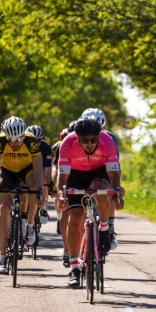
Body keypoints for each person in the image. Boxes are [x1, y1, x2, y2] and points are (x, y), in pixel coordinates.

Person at [55, 116, 122, 288]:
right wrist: (61, 195)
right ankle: (74, 267)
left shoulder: (107, 141)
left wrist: (117, 192)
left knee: (100, 192)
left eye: (93, 140)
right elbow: (62, 178)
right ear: (77, 138)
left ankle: (105, 229)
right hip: (75, 175)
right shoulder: (67, 144)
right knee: (75, 215)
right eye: (85, 140)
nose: (90, 144)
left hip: (98, 171)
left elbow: (114, 174)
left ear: (99, 136)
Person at [0, 117, 44, 274]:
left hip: (27, 170)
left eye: (19, 141)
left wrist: (39, 191)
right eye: (11, 141)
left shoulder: (31, 140)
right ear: (6, 137)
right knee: (4, 206)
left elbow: (39, 170)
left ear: (23, 136)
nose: (15, 144)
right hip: (7, 171)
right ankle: (2, 255)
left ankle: (31, 224)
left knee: (33, 186)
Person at [81, 108, 124, 250]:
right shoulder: (77, 136)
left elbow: (115, 163)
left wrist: (116, 189)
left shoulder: (109, 137)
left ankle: (110, 227)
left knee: (110, 192)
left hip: (103, 168)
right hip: (82, 168)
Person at [27, 125, 52, 225]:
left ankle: (43, 208)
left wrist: (49, 185)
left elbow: (47, 170)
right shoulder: (24, 146)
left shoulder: (46, 147)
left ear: (42, 139)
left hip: (40, 171)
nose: (36, 143)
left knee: (44, 181)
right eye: (33, 140)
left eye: (38, 140)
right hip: (27, 171)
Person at [52, 127, 70, 267]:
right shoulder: (58, 148)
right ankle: (66, 250)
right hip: (64, 175)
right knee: (66, 211)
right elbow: (54, 169)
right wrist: (56, 189)